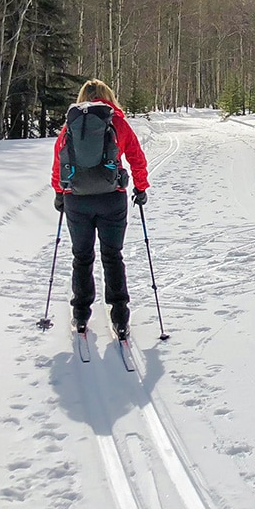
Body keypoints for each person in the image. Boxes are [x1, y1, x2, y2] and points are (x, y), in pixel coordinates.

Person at [51, 79, 149, 339]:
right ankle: (120, 317)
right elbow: (136, 156)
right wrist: (141, 187)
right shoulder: (116, 121)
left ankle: (81, 315)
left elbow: (59, 157)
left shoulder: (72, 124)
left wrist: (60, 193)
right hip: (111, 198)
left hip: (77, 199)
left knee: (82, 257)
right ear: (109, 96)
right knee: (112, 255)